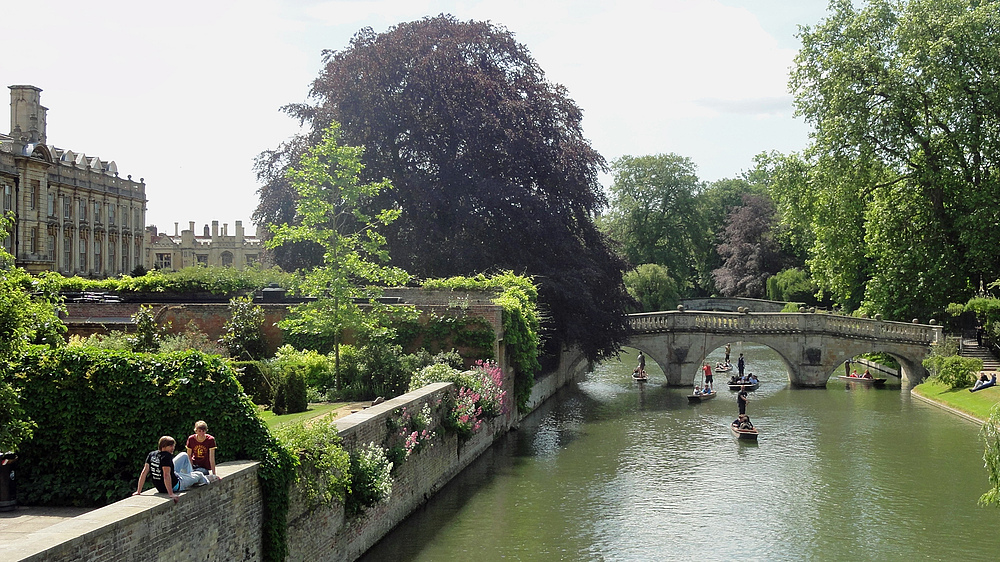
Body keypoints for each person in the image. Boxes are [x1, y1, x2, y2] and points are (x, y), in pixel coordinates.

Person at [133, 436, 207, 502]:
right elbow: (166, 475)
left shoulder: (152, 454)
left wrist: (138, 491)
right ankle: (208, 481)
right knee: (200, 474)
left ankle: (189, 476)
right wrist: (171, 494)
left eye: (173, 446)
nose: (173, 448)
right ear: (163, 446)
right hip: (176, 485)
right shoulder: (166, 456)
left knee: (184, 455)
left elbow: (144, 472)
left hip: (161, 486)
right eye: (171, 446)